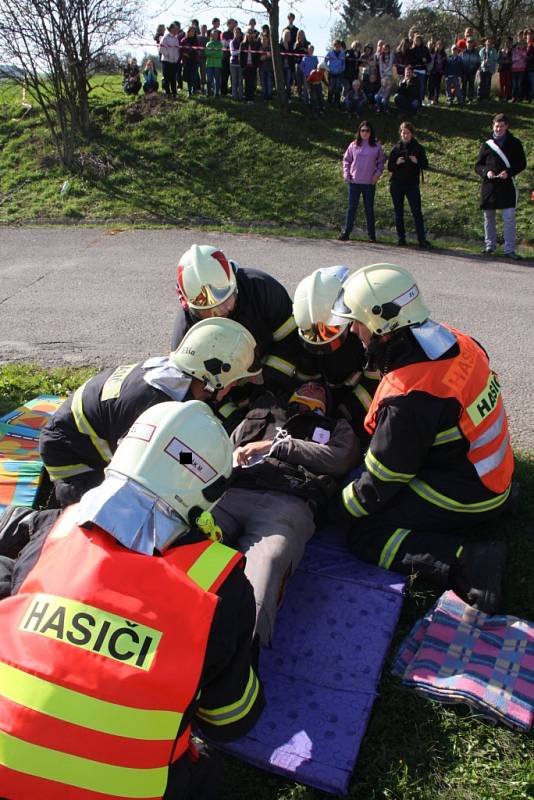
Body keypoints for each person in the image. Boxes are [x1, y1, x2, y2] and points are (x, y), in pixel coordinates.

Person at [0, 401, 265, 799]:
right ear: (210, 490)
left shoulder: (53, 532)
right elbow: (230, 719)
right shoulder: (219, 585)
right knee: (206, 770)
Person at [331, 263, 514, 613]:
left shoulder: (410, 396)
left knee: (365, 532)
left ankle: (468, 561)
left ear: (382, 325)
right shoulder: (456, 340)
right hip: (491, 473)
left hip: (470, 493)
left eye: (356, 322)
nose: (353, 330)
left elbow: (380, 484)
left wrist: (337, 508)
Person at [40, 317, 261, 507]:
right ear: (210, 380)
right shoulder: (153, 403)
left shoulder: (175, 378)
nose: (231, 388)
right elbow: (161, 453)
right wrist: (203, 469)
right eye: (231, 383)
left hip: (99, 431)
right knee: (109, 511)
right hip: (70, 451)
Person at [213, 382, 360, 644]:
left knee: (267, 563)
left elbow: (340, 459)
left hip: (289, 503)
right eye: (306, 383)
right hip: (234, 493)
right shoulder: (261, 413)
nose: (312, 385)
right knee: (194, 543)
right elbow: (224, 449)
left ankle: (241, 653)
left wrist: (275, 447)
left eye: (320, 388)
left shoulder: (336, 427)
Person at [171, 244, 301, 401]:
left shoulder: (262, 289)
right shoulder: (186, 336)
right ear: (189, 308)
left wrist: (268, 381)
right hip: (227, 394)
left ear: (235, 285)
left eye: (226, 300)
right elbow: (193, 391)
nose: (220, 313)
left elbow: (292, 341)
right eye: (207, 311)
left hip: (272, 374)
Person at [293, 266, 380, 442]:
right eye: (314, 336)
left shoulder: (367, 330)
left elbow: (373, 383)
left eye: (330, 332)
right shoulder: (307, 321)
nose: (322, 337)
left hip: (354, 402)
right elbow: (305, 370)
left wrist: (345, 413)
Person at [475, 113, 527, 259]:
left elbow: (522, 163)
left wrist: (509, 172)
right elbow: (478, 166)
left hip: (506, 185)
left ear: (507, 127)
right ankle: (489, 246)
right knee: (488, 216)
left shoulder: (515, 143)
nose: (498, 129)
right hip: (490, 185)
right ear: (493, 126)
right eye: (496, 126)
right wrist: (487, 172)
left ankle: (509, 250)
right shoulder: (487, 144)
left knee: (509, 217)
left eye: (501, 126)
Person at [339, 120, 385, 243]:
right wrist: (346, 174)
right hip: (354, 182)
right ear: (359, 132)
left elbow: (381, 163)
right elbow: (346, 161)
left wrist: (377, 175)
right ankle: (346, 233)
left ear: (371, 132)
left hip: (369, 183)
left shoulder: (377, 146)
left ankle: (372, 235)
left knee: (369, 209)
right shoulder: (353, 145)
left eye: (367, 131)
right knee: (351, 208)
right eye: (362, 130)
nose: (365, 133)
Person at [388, 121, 431, 248]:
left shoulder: (418, 148)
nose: (405, 135)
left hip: (412, 184)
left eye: (407, 133)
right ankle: (401, 238)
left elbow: (425, 165)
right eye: (403, 133)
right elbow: (390, 167)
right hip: (397, 184)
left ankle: (421, 239)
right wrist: (397, 163)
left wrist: (416, 161)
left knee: (416, 212)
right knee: (398, 212)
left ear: (412, 134)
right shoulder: (396, 148)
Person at [159, 22, 181, 97]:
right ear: (171, 29)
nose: (176, 30)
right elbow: (161, 48)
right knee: (167, 77)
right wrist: (167, 54)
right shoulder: (165, 37)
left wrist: (176, 57)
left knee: (173, 78)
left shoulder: (176, 39)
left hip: (174, 61)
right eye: (175, 29)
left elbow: (177, 49)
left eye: (177, 29)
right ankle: (167, 92)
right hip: (166, 61)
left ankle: (174, 93)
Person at [240, 27, 260, 104]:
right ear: (246, 34)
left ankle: (252, 99)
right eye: (248, 33)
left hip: (253, 66)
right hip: (246, 66)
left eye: (251, 34)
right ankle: (247, 98)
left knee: (252, 83)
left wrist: (256, 65)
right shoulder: (243, 44)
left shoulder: (255, 44)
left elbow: (257, 55)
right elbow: (240, 56)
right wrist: (242, 66)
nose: (249, 35)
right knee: (247, 83)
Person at [181, 25, 200, 97]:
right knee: (188, 77)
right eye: (191, 31)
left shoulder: (196, 40)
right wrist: (184, 54)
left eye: (194, 31)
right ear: (188, 32)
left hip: (194, 61)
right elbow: (181, 49)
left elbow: (198, 49)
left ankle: (194, 90)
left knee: (194, 76)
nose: (192, 33)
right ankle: (189, 91)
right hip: (187, 61)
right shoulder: (184, 40)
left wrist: (198, 52)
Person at [325, 40, 346, 105]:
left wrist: (342, 69)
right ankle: (329, 102)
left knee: (338, 88)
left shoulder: (342, 53)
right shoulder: (330, 53)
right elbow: (325, 61)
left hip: (339, 73)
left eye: (339, 46)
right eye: (336, 46)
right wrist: (328, 68)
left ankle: (337, 102)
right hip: (331, 73)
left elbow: (344, 63)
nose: (337, 47)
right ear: (334, 46)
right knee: (331, 88)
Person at [460, 37, 481, 103]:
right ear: (466, 43)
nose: (469, 43)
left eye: (471, 42)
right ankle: (463, 98)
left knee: (471, 85)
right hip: (464, 72)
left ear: (473, 43)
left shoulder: (476, 52)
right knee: (463, 85)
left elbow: (478, 62)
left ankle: (470, 99)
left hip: (472, 72)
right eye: (468, 42)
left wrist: (475, 70)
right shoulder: (462, 53)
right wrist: (462, 70)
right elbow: (460, 63)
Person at [428, 39, 447, 104]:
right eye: (438, 45)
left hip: (440, 72)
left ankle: (436, 99)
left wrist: (444, 71)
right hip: (433, 71)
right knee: (431, 85)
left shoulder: (444, 54)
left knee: (437, 86)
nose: (440, 46)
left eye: (441, 45)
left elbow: (445, 63)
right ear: (436, 45)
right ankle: (431, 99)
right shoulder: (433, 52)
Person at [205, 28, 223, 97]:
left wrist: (212, 52)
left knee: (217, 80)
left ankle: (216, 94)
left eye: (216, 35)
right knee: (209, 80)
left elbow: (220, 54)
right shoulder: (208, 43)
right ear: (211, 35)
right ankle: (208, 93)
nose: (215, 36)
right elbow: (207, 53)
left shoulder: (220, 44)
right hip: (209, 64)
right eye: (213, 35)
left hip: (217, 65)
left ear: (218, 35)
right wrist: (216, 51)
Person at [259, 32, 274, 100]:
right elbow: (259, 58)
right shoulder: (260, 48)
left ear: (268, 40)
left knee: (269, 83)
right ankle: (264, 97)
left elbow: (270, 56)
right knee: (263, 84)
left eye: (265, 39)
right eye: (263, 39)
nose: (264, 40)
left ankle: (269, 97)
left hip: (269, 68)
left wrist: (265, 57)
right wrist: (265, 56)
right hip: (262, 68)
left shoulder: (270, 48)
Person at [230, 26, 244, 101]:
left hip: (241, 64)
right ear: (234, 33)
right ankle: (234, 96)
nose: (237, 34)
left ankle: (241, 96)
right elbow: (232, 53)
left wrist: (238, 51)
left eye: (238, 32)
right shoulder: (232, 42)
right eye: (236, 32)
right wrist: (240, 51)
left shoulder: (243, 42)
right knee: (234, 81)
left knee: (240, 81)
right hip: (233, 64)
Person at [498, 36, 514, 101]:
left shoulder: (514, 50)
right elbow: (498, 60)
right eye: (507, 42)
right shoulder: (501, 50)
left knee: (508, 84)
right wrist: (504, 61)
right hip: (502, 69)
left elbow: (515, 59)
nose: (508, 44)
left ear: (512, 43)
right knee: (502, 84)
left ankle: (507, 97)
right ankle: (501, 96)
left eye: (510, 42)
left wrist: (510, 61)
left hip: (510, 69)